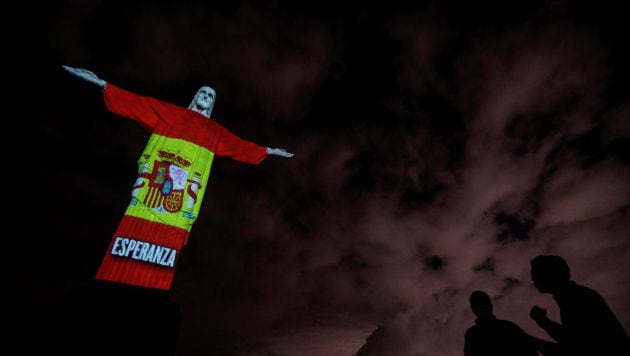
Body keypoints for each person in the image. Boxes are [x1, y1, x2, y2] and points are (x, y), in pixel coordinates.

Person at [62, 65, 294, 291]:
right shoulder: (169, 113)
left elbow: (237, 145)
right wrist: (103, 84)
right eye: (202, 91)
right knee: (127, 248)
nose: (205, 96)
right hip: (149, 195)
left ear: (212, 103)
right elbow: (138, 103)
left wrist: (266, 151)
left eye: (210, 95)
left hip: (178, 207)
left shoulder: (214, 132)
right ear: (195, 96)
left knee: (160, 259)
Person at [529, 255, 630, 356]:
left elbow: (574, 343)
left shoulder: (576, 297)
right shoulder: (574, 295)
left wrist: (542, 322)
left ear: (550, 274)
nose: (532, 279)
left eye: (536, 274)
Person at [464, 290, 539, 356]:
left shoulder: (508, 327)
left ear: (490, 306)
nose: (480, 307)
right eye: (476, 305)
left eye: (482, 303)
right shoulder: (471, 334)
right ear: (473, 310)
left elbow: (529, 350)